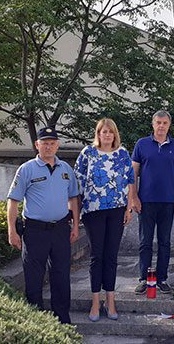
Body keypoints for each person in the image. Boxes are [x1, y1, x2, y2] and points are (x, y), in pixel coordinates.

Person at [7, 127, 80, 324]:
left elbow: (73, 198)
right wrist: (12, 231)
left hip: (60, 230)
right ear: (37, 145)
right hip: (35, 231)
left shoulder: (66, 169)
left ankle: (62, 320)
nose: (48, 146)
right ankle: (37, 321)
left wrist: (74, 226)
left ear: (57, 145)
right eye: (44, 143)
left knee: (61, 276)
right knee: (33, 278)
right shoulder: (26, 169)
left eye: (52, 143)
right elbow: (13, 201)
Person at [75, 118, 134, 322]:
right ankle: (95, 302)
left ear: (115, 134)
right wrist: (75, 211)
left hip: (117, 210)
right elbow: (78, 182)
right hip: (93, 211)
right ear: (98, 134)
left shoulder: (123, 154)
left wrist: (129, 208)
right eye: (103, 131)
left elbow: (130, 181)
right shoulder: (88, 153)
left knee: (111, 256)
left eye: (110, 132)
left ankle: (110, 301)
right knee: (96, 256)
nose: (107, 135)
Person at [130, 110, 174, 294]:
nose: (161, 126)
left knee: (165, 242)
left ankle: (162, 279)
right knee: (145, 242)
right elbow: (133, 173)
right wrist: (134, 197)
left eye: (164, 123)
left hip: (168, 202)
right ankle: (144, 279)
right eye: (158, 122)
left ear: (169, 125)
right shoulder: (142, 144)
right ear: (152, 124)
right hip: (145, 202)